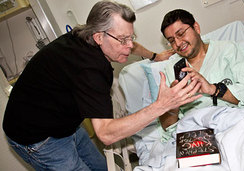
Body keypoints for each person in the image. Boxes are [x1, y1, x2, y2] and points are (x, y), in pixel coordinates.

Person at [2, 1, 201, 171]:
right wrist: (162, 105)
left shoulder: (86, 32)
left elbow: (128, 43)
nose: (129, 45)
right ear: (99, 37)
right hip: (37, 138)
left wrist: (154, 56)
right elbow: (105, 133)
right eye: (123, 39)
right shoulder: (91, 70)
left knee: (101, 166)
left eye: (130, 37)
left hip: (64, 124)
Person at [157, 9, 244, 142]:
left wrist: (214, 89)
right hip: (199, 136)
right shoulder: (171, 70)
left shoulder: (228, 50)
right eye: (171, 40)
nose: (178, 43)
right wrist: (171, 107)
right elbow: (167, 127)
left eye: (181, 34)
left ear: (196, 27)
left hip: (238, 125)